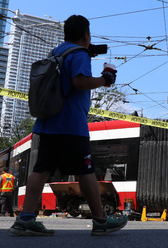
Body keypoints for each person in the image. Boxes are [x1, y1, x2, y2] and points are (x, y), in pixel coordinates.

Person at [9, 15, 127, 236]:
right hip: (71, 125)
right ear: (86, 35)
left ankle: (24, 219)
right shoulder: (80, 54)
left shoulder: (57, 52)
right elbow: (80, 82)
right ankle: (101, 221)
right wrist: (106, 79)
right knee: (86, 171)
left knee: (41, 170)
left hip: (48, 123)